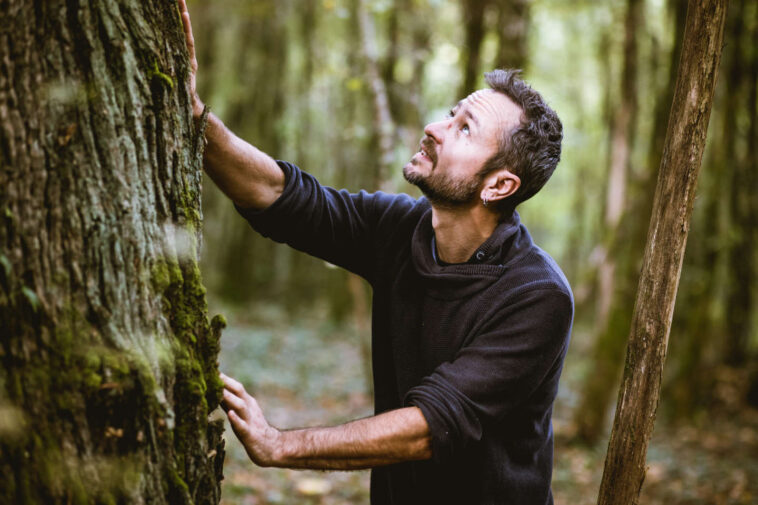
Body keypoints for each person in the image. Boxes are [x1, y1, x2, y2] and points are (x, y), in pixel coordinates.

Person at [178, 1, 573, 503]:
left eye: (464, 129)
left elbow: (429, 426)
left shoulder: (537, 296)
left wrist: (280, 445)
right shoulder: (402, 229)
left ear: (499, 185)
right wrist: (194, 117)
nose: (436, 127)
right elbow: (285, 199)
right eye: (453, 114)